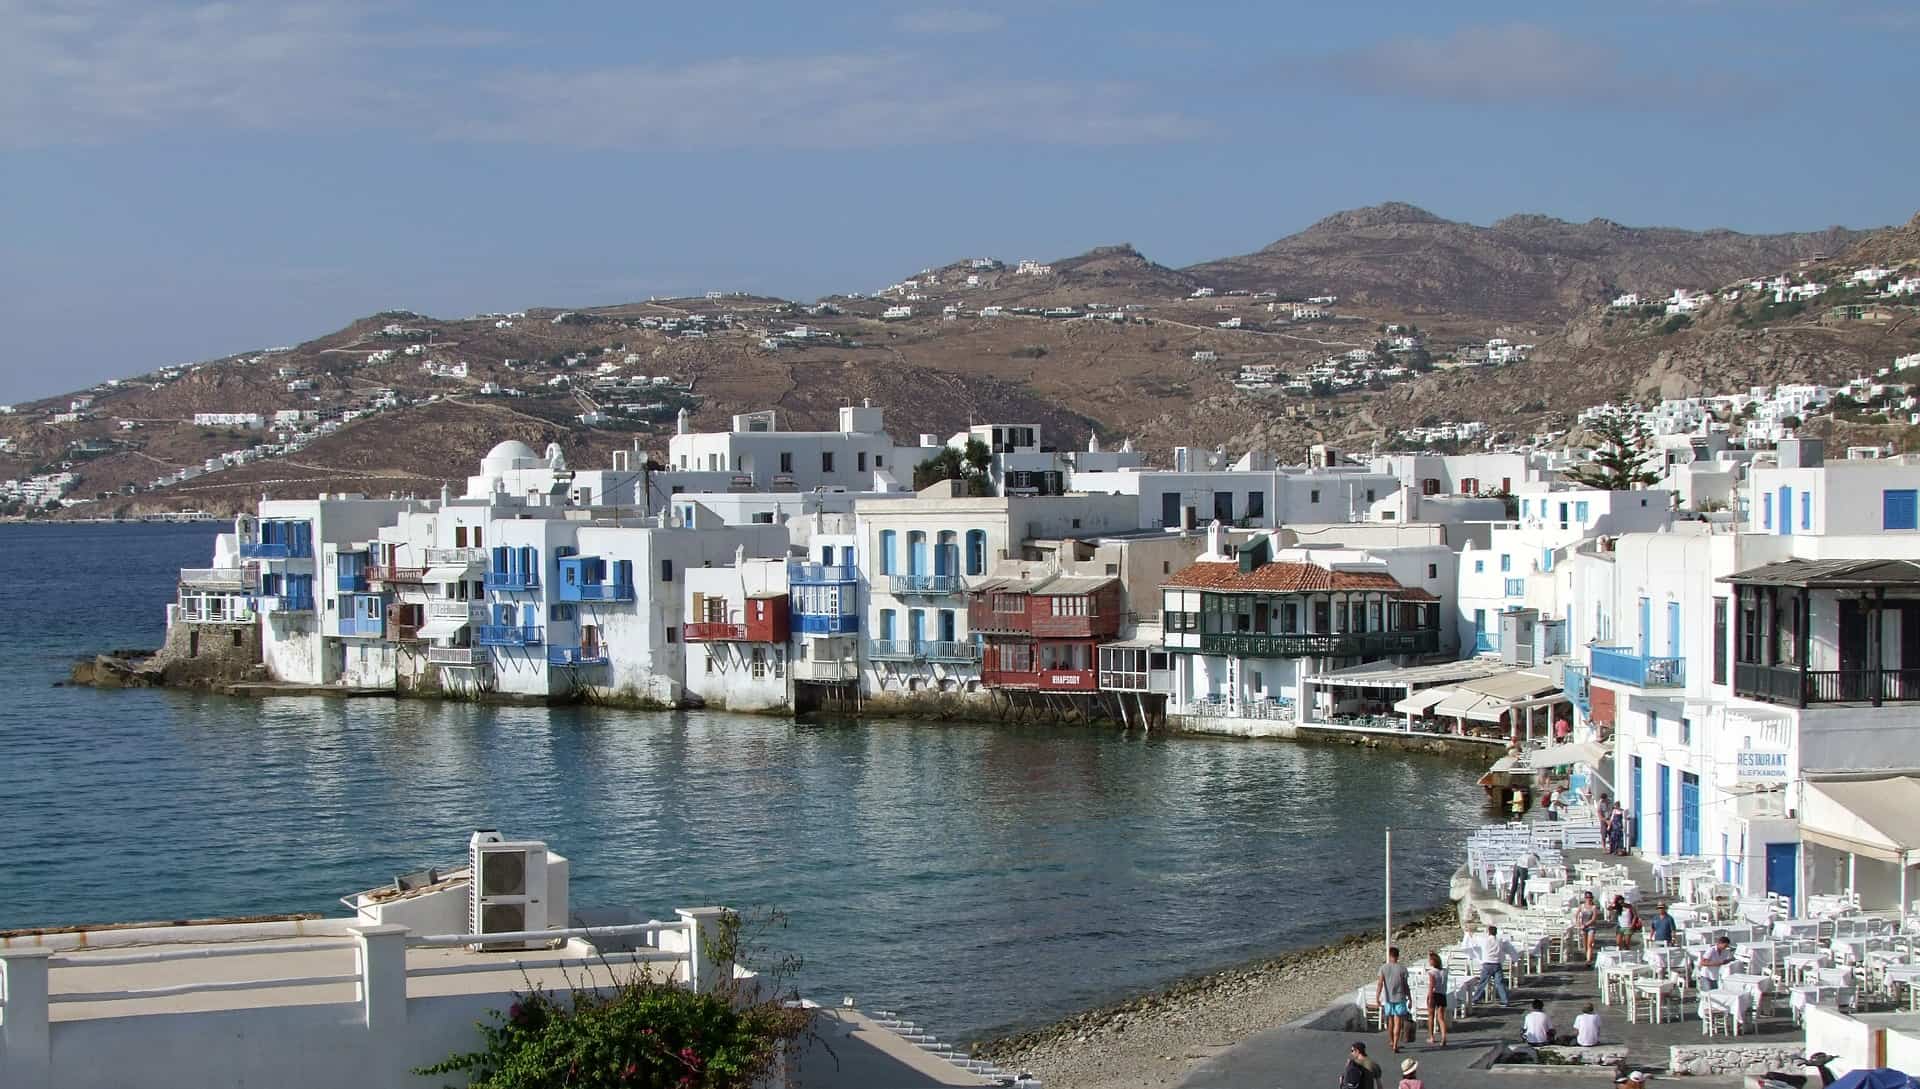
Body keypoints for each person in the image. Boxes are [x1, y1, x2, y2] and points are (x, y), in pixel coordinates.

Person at [1376, 946, 1413, 1054]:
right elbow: (1406, 985)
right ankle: (1395, 1044)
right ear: (1398, 956)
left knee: (1390, 1021)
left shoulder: (1383, 968)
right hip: (1400, 997)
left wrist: (1377, 997)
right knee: (1398, 1022)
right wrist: (1410, 998)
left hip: (1388, 998)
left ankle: (1391, 1041)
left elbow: (1380, 984)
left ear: (1389, 955)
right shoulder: (1402, 969)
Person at [1470, 925, 1515, 1007]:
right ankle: (1505, 1000)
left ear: (1488, 932)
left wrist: (1470, 933)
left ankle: (1475, 999)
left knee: (1482, 983)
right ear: (1496, 932)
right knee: (1500, 983)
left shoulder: (1484, 940)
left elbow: (1474, 941)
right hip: (1497, 963)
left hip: (1487, 964)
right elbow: (1507, 948)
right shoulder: (1500, 941)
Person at [1424, 951, 1449, 1047]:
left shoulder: (1432, 972)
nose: (1429, 961)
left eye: (1430, 960)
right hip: (1443, 994)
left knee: (1431, 1016)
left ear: (1433, 962)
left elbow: (1431, 985)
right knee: (1441, 1018)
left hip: (1434, 994)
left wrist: (1429, 997)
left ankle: (1431, 1036)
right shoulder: (1444, 972)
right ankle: (1443, 1037)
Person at [1574, 892, 1601, 963]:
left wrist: (1586, 924)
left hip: (1591, 926)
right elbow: (1576, 914)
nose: (1589, 899)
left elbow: (1594, 918)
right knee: (1585, 944)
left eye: (1590, 898)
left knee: (1590, 943)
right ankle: (1587, 955)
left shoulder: (1593, 907)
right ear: (1585, 898)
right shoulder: (1582, 906)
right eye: (1587, 898)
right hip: (1583, 927)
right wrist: (1578, 923)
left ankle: (1588, 960)